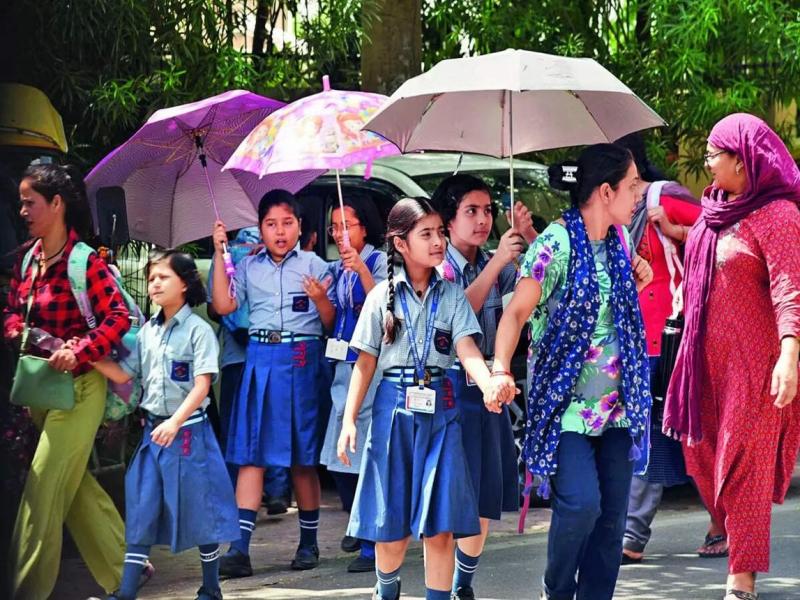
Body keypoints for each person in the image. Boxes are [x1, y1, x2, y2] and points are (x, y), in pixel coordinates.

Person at [491, 144, 654, 600]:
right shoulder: (555, 244)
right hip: (566, 407)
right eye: (632, 185)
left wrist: (636, 276)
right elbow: (516, 313)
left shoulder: (620, 241)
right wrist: (500, 368)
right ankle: (557, 589)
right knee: (581, 505)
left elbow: (612, 316)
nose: (639, 194)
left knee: (612, 520)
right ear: (606, 191)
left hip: (619, 406)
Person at [337, 198, 510, 600]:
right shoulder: (380, 296)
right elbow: (364, 364)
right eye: (426, 234)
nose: (438, 242)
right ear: (400, 244)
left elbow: (467, 349)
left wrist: (488, 383)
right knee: (390, 528)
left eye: (440, 233)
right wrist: (348, 421)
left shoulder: (452, 295)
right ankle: (386, 590)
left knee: (440, 526)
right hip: (392, 411)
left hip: (443, 411)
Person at [662, 113, 800, 600]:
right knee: (700, 457)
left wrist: (789, 353)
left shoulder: (780, 215)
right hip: (702, 365)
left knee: (745, 465)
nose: (707, 163)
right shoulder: (712, 212)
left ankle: (742, 577)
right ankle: (729, 535)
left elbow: (789, 288)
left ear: (742, 160)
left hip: (755, 366)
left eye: (713, 154)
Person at [4, 164, 129, 600]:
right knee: (72, 489)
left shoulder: (84, 261)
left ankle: (24, 591)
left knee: (42, 488)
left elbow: (118, 317)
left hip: (80, 390)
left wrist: (80, 350)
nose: (22, 211)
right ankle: (127, 570)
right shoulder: (27, 260)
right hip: (41, 389)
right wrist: (24, 333)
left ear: (56, 204)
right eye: (21, 202)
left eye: (30, 202)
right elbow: (11, 312)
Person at [92, 250, 238, 600]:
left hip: (189, 435)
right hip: (153, 435)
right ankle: (126, 593)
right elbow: (124, 375)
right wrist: (87, 355)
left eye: (163, 277)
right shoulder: (147, 332)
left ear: (185, 284)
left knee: (201, 512)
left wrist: (175, 422)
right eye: (151, 278)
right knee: (141, 510)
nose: (154, 284)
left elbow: (202, 385)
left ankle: (211, 588)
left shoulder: (199, 331)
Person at [210, 189, 335, 576]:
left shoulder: (317, 265)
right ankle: (239, 551)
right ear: (260, 229)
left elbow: (331, 323)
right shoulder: (247, 266)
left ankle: (309, 545)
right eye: (271, 224)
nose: (280, 231)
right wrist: (219, 253)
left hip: (302, 361)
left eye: (287, 223)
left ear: (300, 226)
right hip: (260, 360)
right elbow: (224, 306)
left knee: (302, 459)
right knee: (252, 456)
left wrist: (321, 299)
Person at [430, 175, 535, 599]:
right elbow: (455, 316)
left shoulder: (498, 260)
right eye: (471, 211)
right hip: (451, 387)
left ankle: (463, 583)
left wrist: (527, 241)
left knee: (485, 490)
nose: (482, 220)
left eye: (488, 211)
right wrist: (497, 264)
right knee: (451, 490)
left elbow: (526, 301)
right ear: (448, 220)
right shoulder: (439, 265)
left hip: (492, 385)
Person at [613, 134, 711, 563]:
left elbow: (720, 232)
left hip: (672, 338)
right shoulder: (612, 210)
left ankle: (635, 536)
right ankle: (633, 535)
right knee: (649, 435)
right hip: (631, 340)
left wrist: (676, 231)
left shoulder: (662, 198)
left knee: (680, 436)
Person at [319, 197, 388, 573]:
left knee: (364, 452)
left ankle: (369, 543)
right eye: (334, 227)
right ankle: (357, 522)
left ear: (365, 227)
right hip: (343, 363)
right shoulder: (337, 268)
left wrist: (360, 268)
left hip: (370, 364)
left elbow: (384, 306)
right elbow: (332, 319)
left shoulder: (378, 260)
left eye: (347, 225)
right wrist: (319, 297)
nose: (339, 233)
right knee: (338, 454)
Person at [206, 227, 292, 516]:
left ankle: (233, 493)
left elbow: (214, 308)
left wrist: (234, 318)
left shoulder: (225, 253)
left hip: (236, 357)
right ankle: (278, 490)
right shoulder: (278, 252)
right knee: (273, 421)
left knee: (234, 426)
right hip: (272, 355)